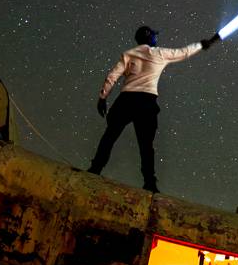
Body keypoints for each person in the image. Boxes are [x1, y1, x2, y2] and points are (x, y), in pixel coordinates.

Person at [88, 24, 219, 192]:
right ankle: (150, 183)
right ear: (149, 37)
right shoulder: (160, 53)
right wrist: (202, 44)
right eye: (154, 36)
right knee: (146, 145)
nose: (156, 38)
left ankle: (95, 168)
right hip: (146, 102)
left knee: (110, 136)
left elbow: (112, 76)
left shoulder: (128, 54)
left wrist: (103, 97)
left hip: (126, 100)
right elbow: (184, 52)